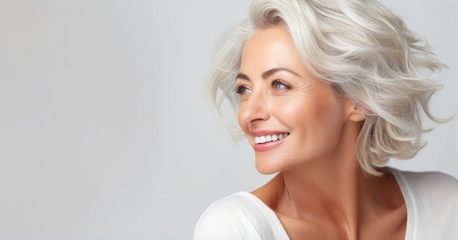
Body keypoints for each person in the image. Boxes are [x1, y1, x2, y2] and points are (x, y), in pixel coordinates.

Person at [194, 0, 458, 239]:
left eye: (280, 85)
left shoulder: (446, 207)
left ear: (360, 98)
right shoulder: (236, 229)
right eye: (244, 89)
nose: (248, 114)